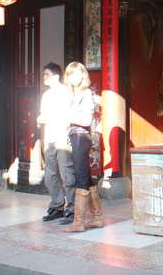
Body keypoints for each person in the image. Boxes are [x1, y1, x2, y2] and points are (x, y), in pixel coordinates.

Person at [63, 61, 103, 232]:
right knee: (86, 176)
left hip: (80, 135)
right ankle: (97, 217)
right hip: (76, 135)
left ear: (83, 74)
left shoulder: (86, 93)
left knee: (80, 176)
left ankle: (78, 222)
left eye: (76, 73)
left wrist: (68, 117)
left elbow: (86, 120)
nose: (72, 77)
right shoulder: (74, 93)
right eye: (69, 74)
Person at [37, 62, 75, 224]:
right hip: (50, 137)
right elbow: (43, 115)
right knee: (50, 174)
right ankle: (57, 205)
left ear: (56, 76)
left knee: (67, 173)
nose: (44, 77)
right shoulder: (46, 95)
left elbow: (69, 115)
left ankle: (72, 209)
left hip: (63, 136)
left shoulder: (66, 92)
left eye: (47, 74)